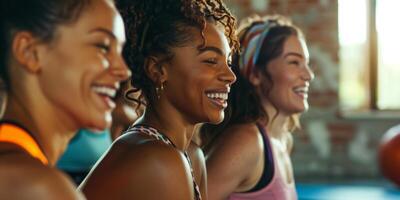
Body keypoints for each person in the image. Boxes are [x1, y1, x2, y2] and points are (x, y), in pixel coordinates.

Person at [79, 0, 238, 199]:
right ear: (157, 70)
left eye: (228, 62)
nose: (230, 76)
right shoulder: (158, 160)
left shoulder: (190, 155)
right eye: (211, 61)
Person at [0, 0, 130, 199]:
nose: (123, 71)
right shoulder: (37, 186)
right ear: (30, 52)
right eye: (102, 46)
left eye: (120, 51)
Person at [200, 15, 315, 200]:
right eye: (294, 62)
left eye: (306, 64)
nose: (309, 75)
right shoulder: (247, 142)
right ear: (255, 74)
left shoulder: (283, 140)